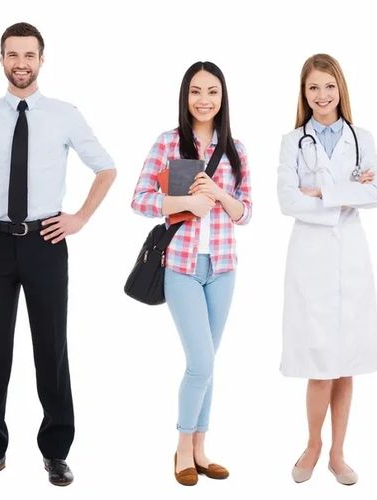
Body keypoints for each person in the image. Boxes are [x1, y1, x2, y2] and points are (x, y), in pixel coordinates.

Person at [0, 22, 118, 487]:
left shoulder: (64, 114)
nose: (21, 63)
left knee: (51, 348)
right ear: (2, 59)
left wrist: (80, 218)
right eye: (13, 55)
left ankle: (55, 451)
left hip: (47, 242)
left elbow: (106, 169)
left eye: (29, 55)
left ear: (41, 59)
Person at [130, 61, 251, 486]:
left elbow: (245, 212)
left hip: (222, 268)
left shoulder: (234, 149)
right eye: (196, 91)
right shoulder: (168, 143)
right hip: (180, 266)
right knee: (200, 361)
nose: (204, 99)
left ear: (223, 97)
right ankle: (183, 446)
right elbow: (140, 200)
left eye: (212, 91)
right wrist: (184, 205)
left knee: (209, 363)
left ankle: (201, 448)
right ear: (185, 96)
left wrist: (217, 194)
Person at [278, 53, 377, 486]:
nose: (322, 96)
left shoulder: (362, 137)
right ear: (304, 94)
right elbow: (288, 201)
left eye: (329, 86)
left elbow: (376, 193)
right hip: (311, 257)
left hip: (351, 257)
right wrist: (344, 194)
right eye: (313, 88)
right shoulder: (292, 140)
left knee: (347, 362)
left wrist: (319, 190)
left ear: (341, 89)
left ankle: (339, 452)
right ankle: (313, 443)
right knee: (320, 361)